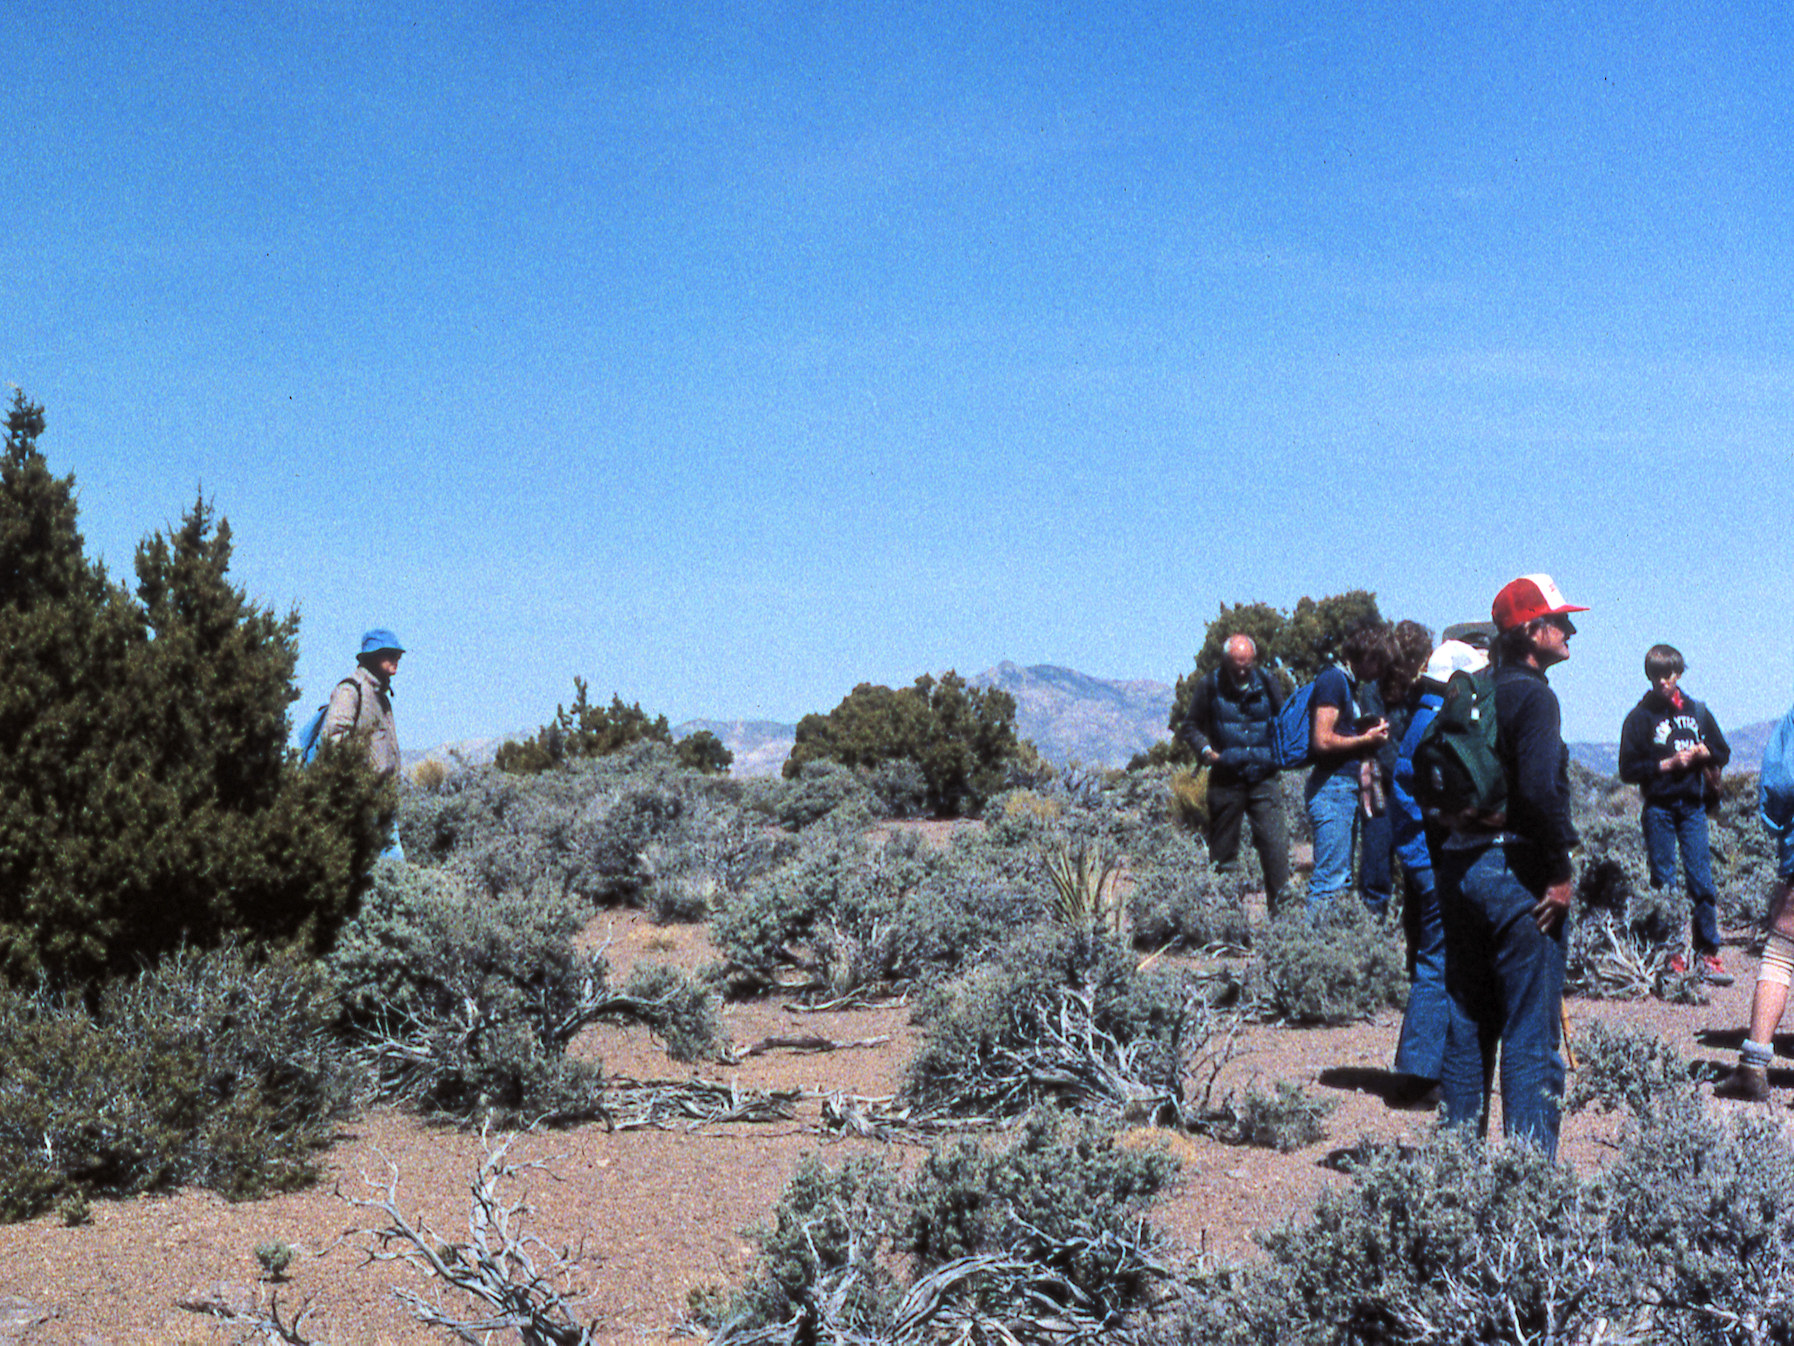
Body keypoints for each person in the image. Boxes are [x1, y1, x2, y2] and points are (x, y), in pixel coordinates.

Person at [1434, 574, 1585, 1158]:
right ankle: (1526, 1194)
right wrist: (1558, 871)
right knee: (1529, 1030)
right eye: (1561, 621)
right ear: (1532, 633)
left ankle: (1453, 1175)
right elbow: (1541, 791)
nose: (1570, 630)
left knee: (1468, 1022)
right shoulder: (1536, 696)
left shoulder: (1471, 689)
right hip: (1518, 874)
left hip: (1460, 868)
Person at [1386, 638, 1486, 1108]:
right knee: (1437, 957)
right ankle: (1420, 1073)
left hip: (1424, 854)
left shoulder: (1423, 717)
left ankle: (1426, 1065)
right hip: (1432, 857)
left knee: (1439, 955)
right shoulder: (1433, 724)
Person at [1616, 644, 1733, 984]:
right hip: (1659, 809)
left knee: (1701, 879)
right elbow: (1627, 769)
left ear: (1679, 674)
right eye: (1656, 676)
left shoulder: (1697, 711)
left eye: (1668, 675)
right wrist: (1667, 764)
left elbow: (1722, 751)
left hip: (1693, 806)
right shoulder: (1639, 717)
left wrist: (1701, 752)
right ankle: (1671, 953)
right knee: (1664, 882)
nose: (1662, 682)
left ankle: (1708, 953)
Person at [1182, 634, 1290, 911]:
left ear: (1254, 660)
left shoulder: (1267, 682)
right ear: (1226, 661)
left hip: (1264, 777)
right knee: (1223, 855)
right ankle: (1227, 921)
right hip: (1226, 779)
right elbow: (1191, 726)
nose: (1242, 670)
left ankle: (1283, 925)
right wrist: (1207, 752)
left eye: (1247, 665)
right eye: (1236, 665)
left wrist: (1280, 753)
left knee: (1275, 849)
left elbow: (1285, 720)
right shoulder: (1209, 685)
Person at [1304, 623, 1392, 910]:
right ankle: (1313, 949)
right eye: (1378, 661)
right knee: (1330, 881)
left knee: (1339, 880)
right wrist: (1365, 739)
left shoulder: (1349, 685)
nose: (1380, 670)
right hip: (1332, 789)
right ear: (1366, 656)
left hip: (1342, 789)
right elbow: (1323, 740)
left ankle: (1326, 948)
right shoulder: (1333, 681)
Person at [1359, 621, 1434, 918]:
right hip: (1386, 787)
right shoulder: (1373, 691)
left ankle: (1414, 931)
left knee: (1418, 864)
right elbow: (1382, 745)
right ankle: (1372, 929)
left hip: (1415, 787)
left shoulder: (1422, 690)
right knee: (1376, 862)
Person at [327, 628, 406, 858]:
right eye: (390, 654)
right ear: (372, 656)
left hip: (384, 803)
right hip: (360, 804)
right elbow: (333, 742)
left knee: (395, 878)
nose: (396, 660)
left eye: (397, 655)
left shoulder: (381, 696)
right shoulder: (350, 691)